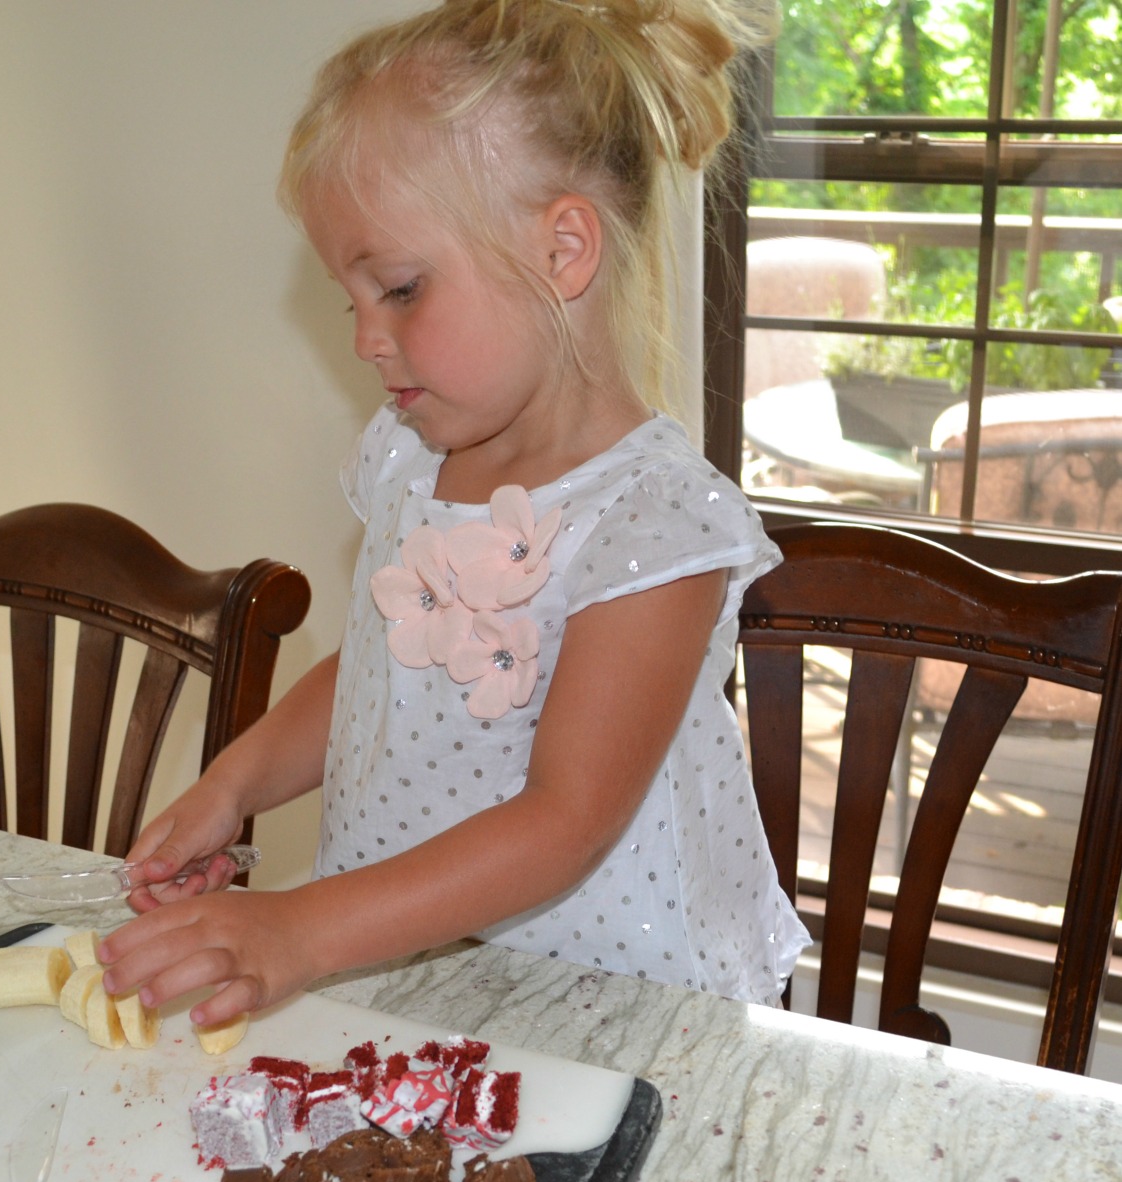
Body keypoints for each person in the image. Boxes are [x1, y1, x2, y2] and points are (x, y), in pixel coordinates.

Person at [97, 0, 809, 1026]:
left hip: (607, 1005)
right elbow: (377, 671)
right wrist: (234, 784)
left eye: (399, 288)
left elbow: (565, 821)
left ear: (565, 251)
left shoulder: (657, 522)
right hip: (415, 976)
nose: (367, 342)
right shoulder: (407, 458)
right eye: (354, 302)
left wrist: (300, 927)